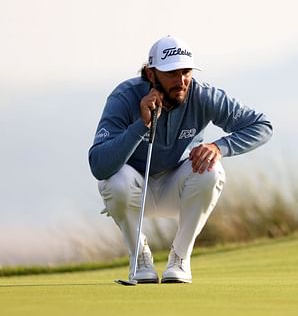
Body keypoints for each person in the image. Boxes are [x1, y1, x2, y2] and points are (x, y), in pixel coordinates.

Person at [88, 35, 273, 284]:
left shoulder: (203, 96)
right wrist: (141, 125)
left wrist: (219, 147)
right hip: (133, 194)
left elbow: (261, 126)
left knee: (211, 169)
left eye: (186, 72)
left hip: (178, 190)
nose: (181, 80)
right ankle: (139, 258)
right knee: (115, 180)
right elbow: (99, 165)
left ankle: (179, 258)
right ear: (151, 74)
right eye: (171, 73)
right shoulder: (124, 97)